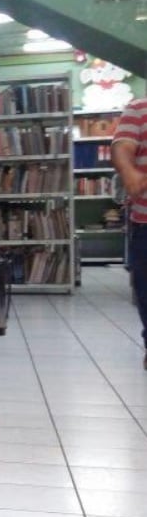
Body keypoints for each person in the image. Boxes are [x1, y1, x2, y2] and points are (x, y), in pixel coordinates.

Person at [111, 97, 147, 370]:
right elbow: (122, 146)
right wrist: (128, 171)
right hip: (145, 221)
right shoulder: (139, 109)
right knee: (145, 291)